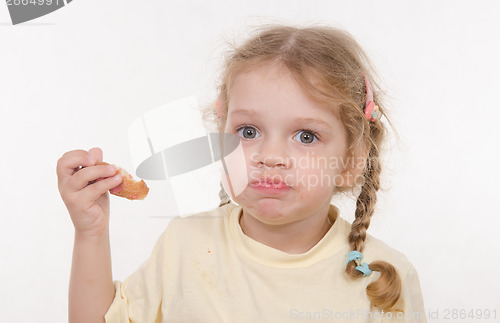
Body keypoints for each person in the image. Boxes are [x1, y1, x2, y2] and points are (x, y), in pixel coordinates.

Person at [57, 24, 427, 323]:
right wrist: (91, 233)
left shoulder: (383, 276)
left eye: (306, 136)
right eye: (248, 132)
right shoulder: (183, 246)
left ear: (351, 160)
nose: (270, 156)